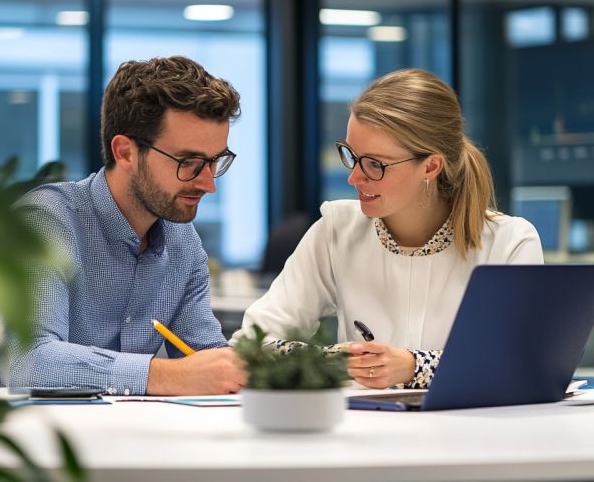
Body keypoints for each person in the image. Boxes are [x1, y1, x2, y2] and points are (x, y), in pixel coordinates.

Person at [233, 68, 543, 390]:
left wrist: (414, 366)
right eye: (352, 156)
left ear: (431, 166)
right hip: (361, 433)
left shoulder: (509, 242)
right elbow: (252, 343)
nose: (354, 178)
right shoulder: (335, 230)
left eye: (375, 164)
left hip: (471, 433)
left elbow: (520, 361)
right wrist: (335, 361)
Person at [0, 56, 246, 396]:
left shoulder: (182, 241)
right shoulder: (45, 222)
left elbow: (204, 356)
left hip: (134, 437)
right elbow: (28, 361)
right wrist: (166, 376)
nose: (208, 184)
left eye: (214, 162)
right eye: (188, 163)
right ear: (126, 152)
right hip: (40, 442)